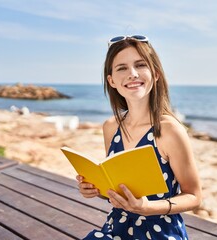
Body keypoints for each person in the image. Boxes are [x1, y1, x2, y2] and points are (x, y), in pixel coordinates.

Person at [76, 35, 202, 239]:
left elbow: (194, 196)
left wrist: (148, 208)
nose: (132, 74)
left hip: (161, 232)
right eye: (122, 68)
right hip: (115, 227)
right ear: (112, 81)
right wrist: (95, 189)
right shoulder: (110, 127)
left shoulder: (169, 130)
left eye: (140, 65)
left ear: (156, 74)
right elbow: (118, 187)